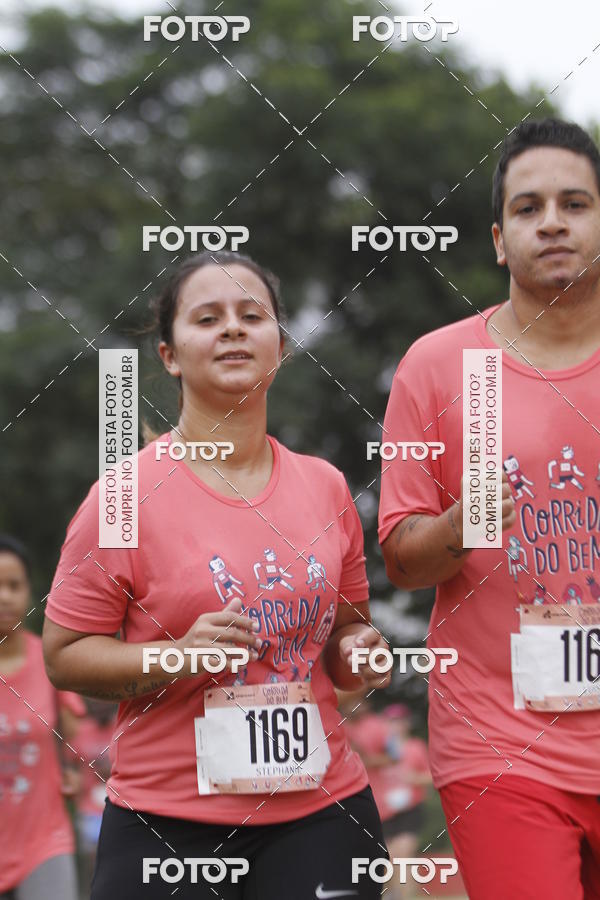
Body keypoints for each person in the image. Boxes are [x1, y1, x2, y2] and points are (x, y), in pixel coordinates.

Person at [42, 251, 392, 899]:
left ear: (280, 346)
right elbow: (64, 656)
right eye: (207, 319)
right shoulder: (123, 497)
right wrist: (178, 656)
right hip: (168, 825)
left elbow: (345, 639)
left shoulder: (325, 486)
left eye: (251, 316)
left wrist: (361, 653)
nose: (233, 328)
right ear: (170, 355)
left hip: (321, 815)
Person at [379, 117, 600, 899]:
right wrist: (456, 527)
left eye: (575, 204)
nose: (553, 222)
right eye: (528, 208)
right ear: (500, 240)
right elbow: (401, 561)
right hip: (501, 744)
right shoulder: (439, 366)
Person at [0, 534, 84, 900]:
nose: (4, 597)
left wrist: (74, 772)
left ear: (28, 591)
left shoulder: (52, 662)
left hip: (44, 843)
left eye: (14, 586)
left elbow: (77, 739)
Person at [341, 695, 431, 900]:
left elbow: (395, 757)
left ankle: (403, 896)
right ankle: (394, 894)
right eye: (392, 720)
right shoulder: (344, 728)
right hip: (381, 811)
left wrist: (413, 778)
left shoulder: (396, 738)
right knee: (388, 861)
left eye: (399, 721)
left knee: (402, 855)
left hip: (408, 808)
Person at [73, 699, 117, 893]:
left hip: (117, 805)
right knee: (94, 858)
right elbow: (70, 764)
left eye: (104, 703)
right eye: (96, 704)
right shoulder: (81, 731)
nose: (100, 707)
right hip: (89, 808)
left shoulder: (122, 727)